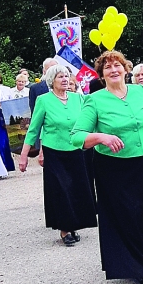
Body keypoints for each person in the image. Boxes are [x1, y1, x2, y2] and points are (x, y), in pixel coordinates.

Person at [71, 51, 143, 284]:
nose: (113, 70)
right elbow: (77, 137)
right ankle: (139, 267)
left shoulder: (139, 92)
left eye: (118, 66)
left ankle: (140, 258)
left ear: (126, 70)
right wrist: (102, 137)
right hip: (113, 169)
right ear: (102, 74)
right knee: (124, 215)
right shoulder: (94, 100)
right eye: (108, 67)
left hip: (142, 163)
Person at [19, 65, 97, 246]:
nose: (64, 79)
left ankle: (73, 224)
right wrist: (24, 155)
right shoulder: (44, 100)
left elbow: (90, 122)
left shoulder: (79, 98)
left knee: (77, 189)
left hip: (78, 151)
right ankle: (64, 229)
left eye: (66, 76)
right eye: (60, 76)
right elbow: (34, 129)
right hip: (55, 152)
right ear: (51, 81)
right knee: (61, 190)